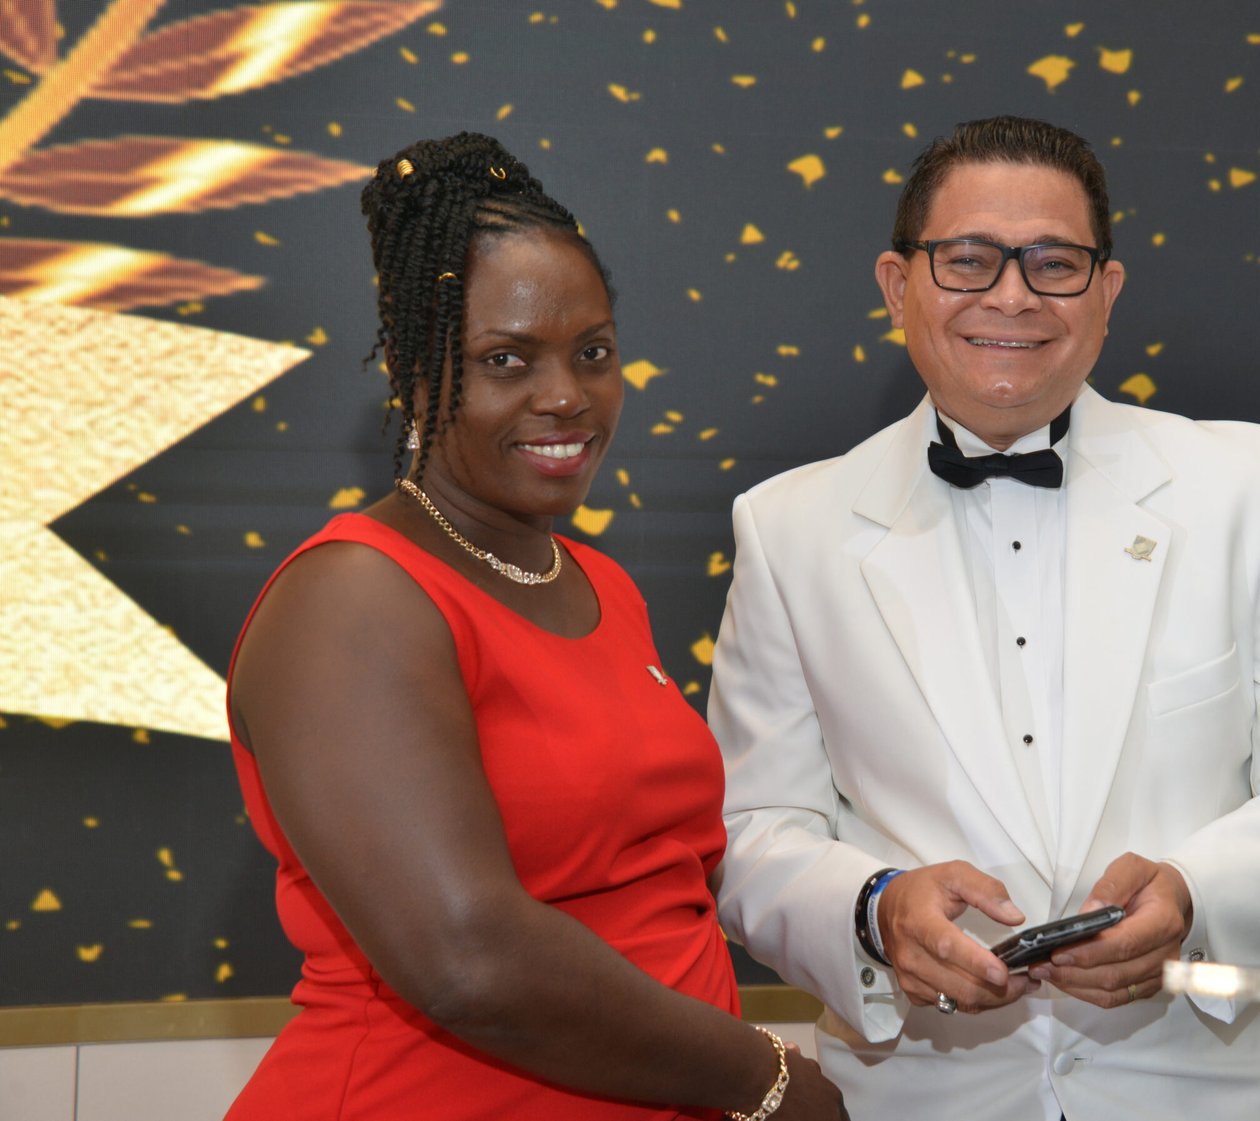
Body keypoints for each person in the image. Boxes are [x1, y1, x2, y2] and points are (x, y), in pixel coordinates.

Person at [706, 116, 1260, 1121]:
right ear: (897, 285)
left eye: (1054, 263)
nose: (1012, 295)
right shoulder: (789, 527)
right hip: (915, 1099)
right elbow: (749, 833)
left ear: (1106, 291)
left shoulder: (1247, 489)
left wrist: (1196, 894)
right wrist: (874, 910)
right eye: (968, 260)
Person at [225, 132, 844, 1121]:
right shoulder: (352, 597)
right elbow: (465, 956)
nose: (565, 396)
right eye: (505, 359)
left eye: (592, 353)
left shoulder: (599, 582)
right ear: (413, 374)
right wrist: (763, 1078)